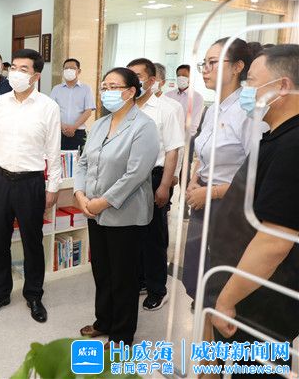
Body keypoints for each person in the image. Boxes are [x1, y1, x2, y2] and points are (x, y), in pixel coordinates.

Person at [207, 44, 299, 373]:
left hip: (268, 296)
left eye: (252, 82)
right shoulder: (277, 136)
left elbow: (274, 240)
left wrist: (227, 299)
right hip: (257, 287)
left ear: (283, 86)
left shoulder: (292, 145)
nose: (246, 91)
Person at [75, 67, 159, 346]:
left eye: (113, 87)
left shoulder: (144, 126)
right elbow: (84, 162)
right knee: (102, 271)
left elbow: (135, 174)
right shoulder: (100, 124)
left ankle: (122, 335)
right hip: (94, 212)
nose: (107, 92)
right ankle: (104, 321)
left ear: (131, 91)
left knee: (123, 277)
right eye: (104, 87)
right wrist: (80, 194)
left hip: (125, 214)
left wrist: (102, 202)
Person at [0, 49, 60, 323]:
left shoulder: (48, 106)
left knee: (32, 241)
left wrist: (53, 186)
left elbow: (53, 149)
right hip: (0, 180)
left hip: (31, 183)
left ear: (36, 76)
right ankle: (0, 293)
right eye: (13, 67)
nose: (15, 73)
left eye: (23, 69)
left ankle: (34, 295)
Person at [182, 37, 263, 305]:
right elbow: (203, 152)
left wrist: (212, 193)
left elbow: (256, 172)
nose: (205, 70)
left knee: (221, 274)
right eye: (204, 64)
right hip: (203, 197)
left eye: (213, 63)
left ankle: (217, 321)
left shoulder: (248, 111)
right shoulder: (212, 109)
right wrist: (194, 180)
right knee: (197, 269)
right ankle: (204, 317)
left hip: (229, 203)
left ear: (238, 67)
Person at [127, 58, 184, 311]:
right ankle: (139, 279)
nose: (133, 80)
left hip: (154, 178)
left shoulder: (165, 110)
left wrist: (164, 186)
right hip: (127, 179)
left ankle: (157, 289)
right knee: (132, 235)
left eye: (138, 76)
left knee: (154, 237)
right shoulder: (125, 108)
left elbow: (173, 150)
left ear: (151, 81)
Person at [49, 58, 96, 151]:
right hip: (58, 131)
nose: (69, 70)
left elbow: (88, 111)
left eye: (72, 68)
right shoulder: (56, 89)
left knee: (77, 158)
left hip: (78, 132)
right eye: (66, 68)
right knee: (57, 157)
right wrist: (62, 126)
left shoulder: (86, 89)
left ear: (79, 71)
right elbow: (51, 110)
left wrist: (73, 127)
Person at [165, 64, 205, 135]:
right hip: (166, 134)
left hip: (184, 137)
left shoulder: (197, 98)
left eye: (184, 76)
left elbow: (192, 127)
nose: (181, 78)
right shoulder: (168, 95)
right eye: (178, 76)